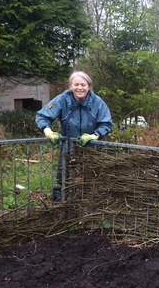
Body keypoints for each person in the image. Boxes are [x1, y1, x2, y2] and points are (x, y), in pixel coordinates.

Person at [36, 71, 113, 199]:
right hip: (68, 150)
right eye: (76, 84)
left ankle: (88, 210)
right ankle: (65, 208)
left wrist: (95, 136)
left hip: (92, 151)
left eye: (83, 84)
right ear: (70, 86)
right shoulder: (62, 99)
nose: (79, 88)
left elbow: (106, 123)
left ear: (89, 87)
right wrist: (48, 131)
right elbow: (42, 116)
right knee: (64, 181)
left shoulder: (97, 102)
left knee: (90, 182)